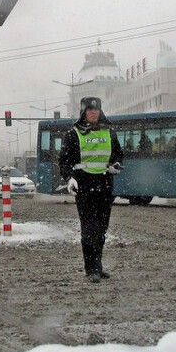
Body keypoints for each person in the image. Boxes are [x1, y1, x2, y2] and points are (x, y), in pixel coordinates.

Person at [58, 96, 124, 283]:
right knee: (88, 229)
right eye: (89, 110)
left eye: (96, 110)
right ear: (84, 112)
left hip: (104, 185)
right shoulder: (73, 134)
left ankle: (98, 266)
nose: (93, 113)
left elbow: (118, 155)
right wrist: (70, 178)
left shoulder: (109, 132)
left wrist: (116, 165)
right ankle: (91, 269)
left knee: (101, 229)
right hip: (85, 186)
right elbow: (65, 160)